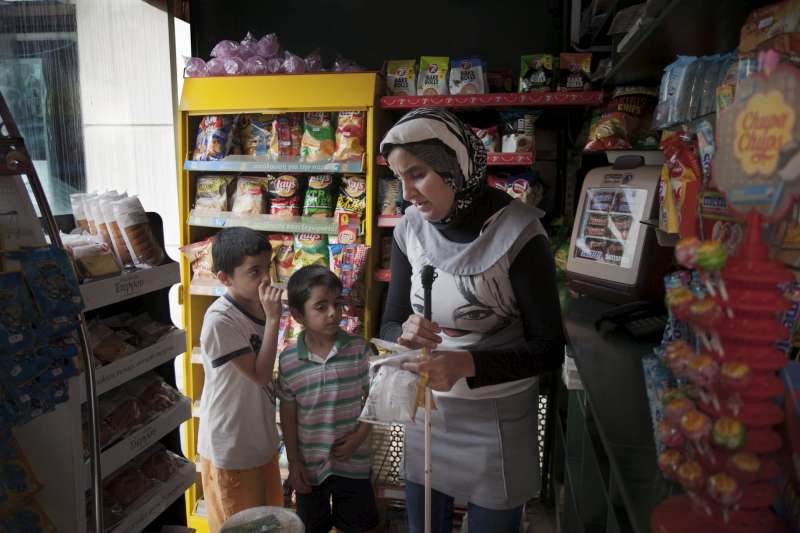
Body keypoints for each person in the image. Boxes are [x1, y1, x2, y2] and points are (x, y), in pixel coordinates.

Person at [379, 108, 565, 533]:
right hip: (427, 411)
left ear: (456, 166)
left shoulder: (518, 234)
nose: (407, 193)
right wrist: (403, 332)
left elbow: (549, 348)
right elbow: (388, 324)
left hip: (496, 419)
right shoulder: (410, 228)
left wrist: (468, 365)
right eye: (399, 177)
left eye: (418, 174)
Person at [277, 265, 380, 533]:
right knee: (311, 526)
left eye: (337, 303)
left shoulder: (359, 350)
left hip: (354, 462)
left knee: (358, 526)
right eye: (321, 307)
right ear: (298, 315)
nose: (334, 312)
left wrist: (359, 437)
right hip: (309, 467)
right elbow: (288, 414)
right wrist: (294, 462)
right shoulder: (289, 360)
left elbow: (376, 399)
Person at [197, 226, 284, 533]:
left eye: (267, 267)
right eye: (254, 271)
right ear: (224, 278)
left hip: (260, 438)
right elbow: (260, 375)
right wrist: (274, 319)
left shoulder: (258, 305)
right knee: (239, 527)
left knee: (270, 524)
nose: (265, 279)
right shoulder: (220, 320)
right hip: (231, 447)